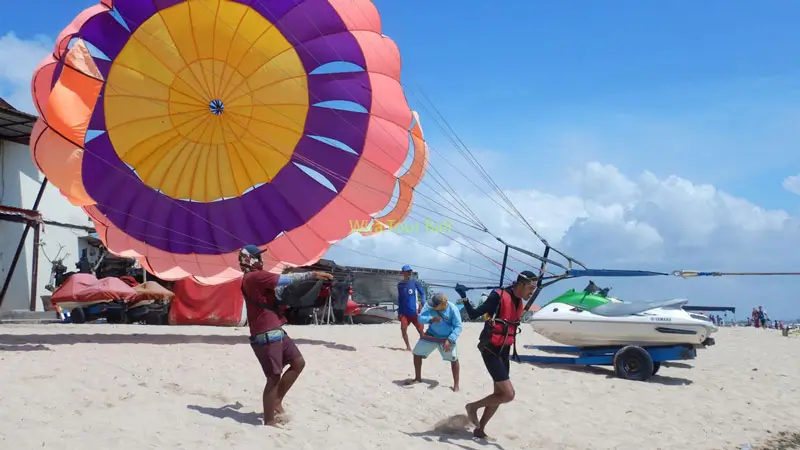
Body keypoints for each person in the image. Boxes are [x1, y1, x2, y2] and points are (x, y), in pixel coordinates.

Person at [239, 244, 333, 427]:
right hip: (265, 333)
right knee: (273, 376)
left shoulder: (255, 278)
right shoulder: (255, 277)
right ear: (249, 260)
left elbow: (280, 289)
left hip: (275, 329)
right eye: (257, 256)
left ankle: (276, 401)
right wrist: (312, 275)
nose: (260, 259)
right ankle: (269, 420)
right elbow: (285, 281)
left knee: (298, 363)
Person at [456, 271, 538, 439]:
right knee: (508, 394)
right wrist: (463, 296)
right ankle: (472, 407)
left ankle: (480, 430)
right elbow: (473, 314)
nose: (532, 292)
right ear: (521, 284)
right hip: (491, 349)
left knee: (499, 395)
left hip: (504, 350)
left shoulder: (518, 300)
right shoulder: (498, 296)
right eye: (531, 288)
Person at [408, 293, 463, 391]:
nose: (432, 306)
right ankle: (417, 378)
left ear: (442, 305)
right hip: (431, 335)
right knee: (416, 353)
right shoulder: (430, 305)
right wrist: (431, 319)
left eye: (435, 305)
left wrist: (450, 340)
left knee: (454, 359)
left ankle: (456, 385)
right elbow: (420, 318)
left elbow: (458, 326)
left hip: (447, 338)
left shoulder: (453, 309)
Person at [397, 265, 426, 351]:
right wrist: (399, 312)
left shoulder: (415, 282)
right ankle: (408, 347)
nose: (409, 273)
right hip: (404, 313)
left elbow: (423, 293)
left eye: (410, 271)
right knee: (403, 329)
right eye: (407, 271)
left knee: (420, 330)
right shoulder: (400, 285)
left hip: (415, 311)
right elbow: (400, 298)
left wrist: (423, 302)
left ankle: (424, 346)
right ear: (403, 273)